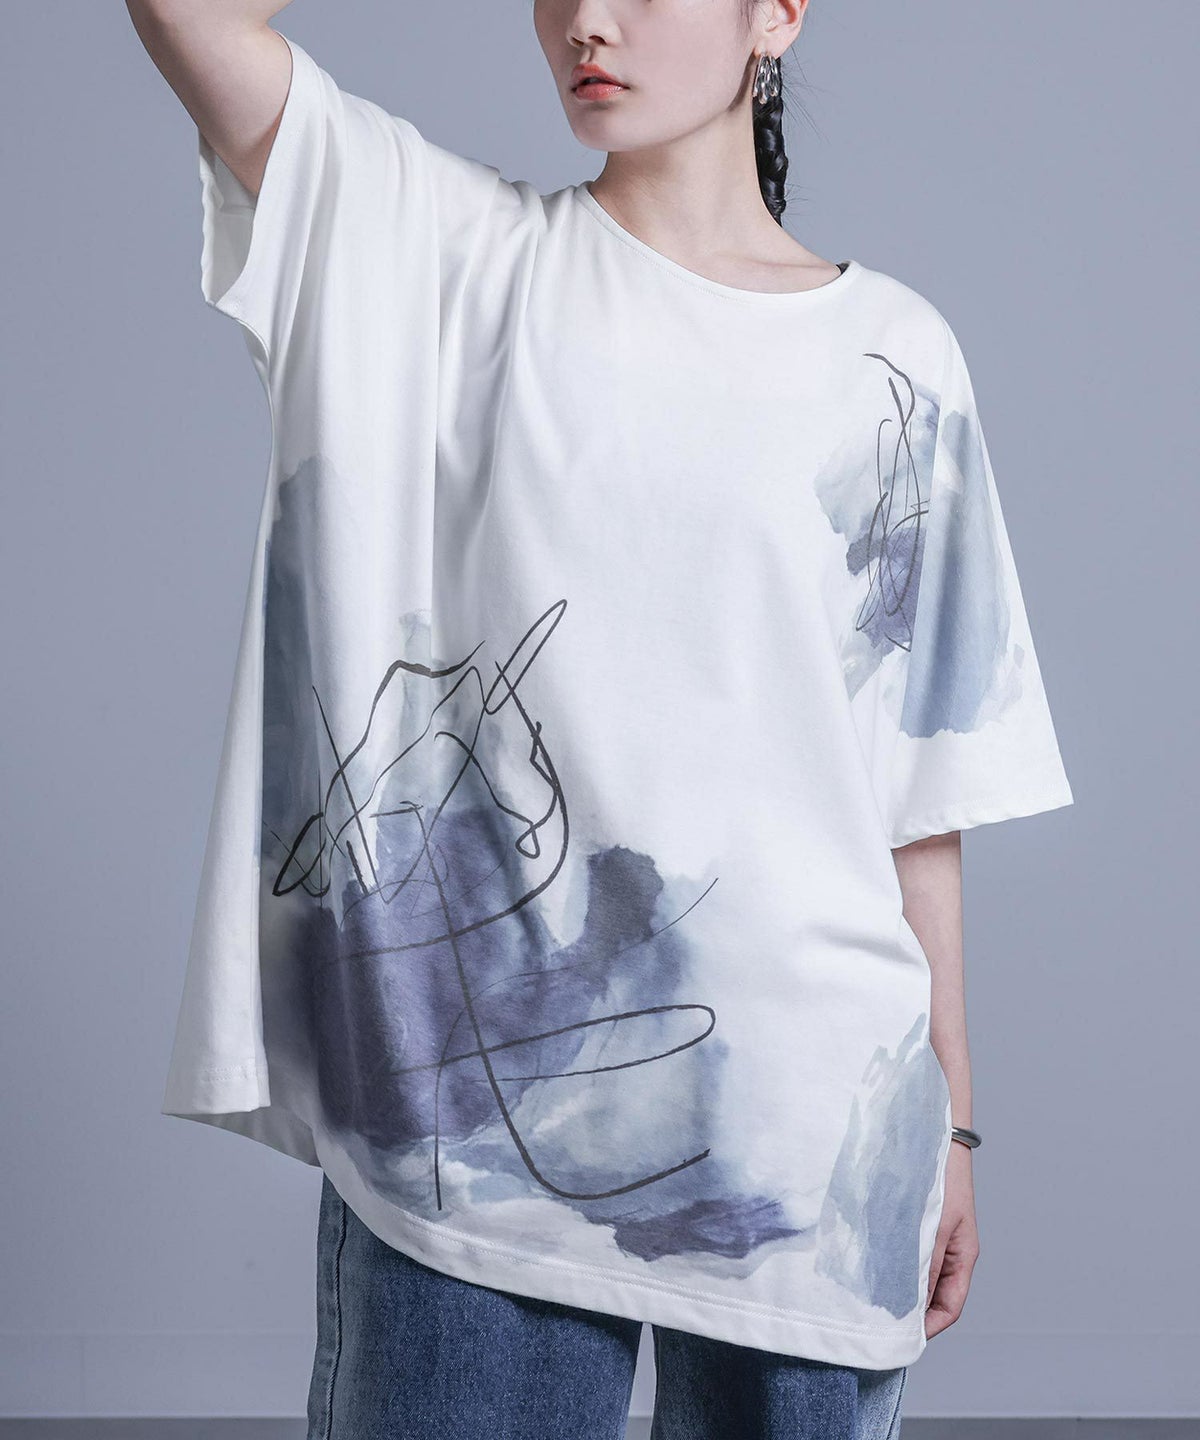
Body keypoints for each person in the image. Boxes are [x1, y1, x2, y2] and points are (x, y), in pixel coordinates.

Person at [128, 1, 1074, 1435]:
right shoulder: (449, 254)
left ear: (778, 12)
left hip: (815, 1134)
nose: (589, 18)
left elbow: (918, 789)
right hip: (475, 1145)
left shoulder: (896, 357)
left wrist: (953, 1122)